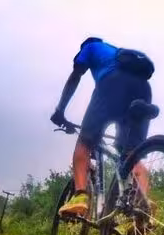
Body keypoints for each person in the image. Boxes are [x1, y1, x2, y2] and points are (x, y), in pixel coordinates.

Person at [51, 37, 155, 216]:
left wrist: (60, 111)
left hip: (112, 84)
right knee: (132, 155)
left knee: (84, 143)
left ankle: (80, 195)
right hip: (144, 89)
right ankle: (142, 207)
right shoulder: (118, 54)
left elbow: (75, 77)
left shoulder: (90, 46)